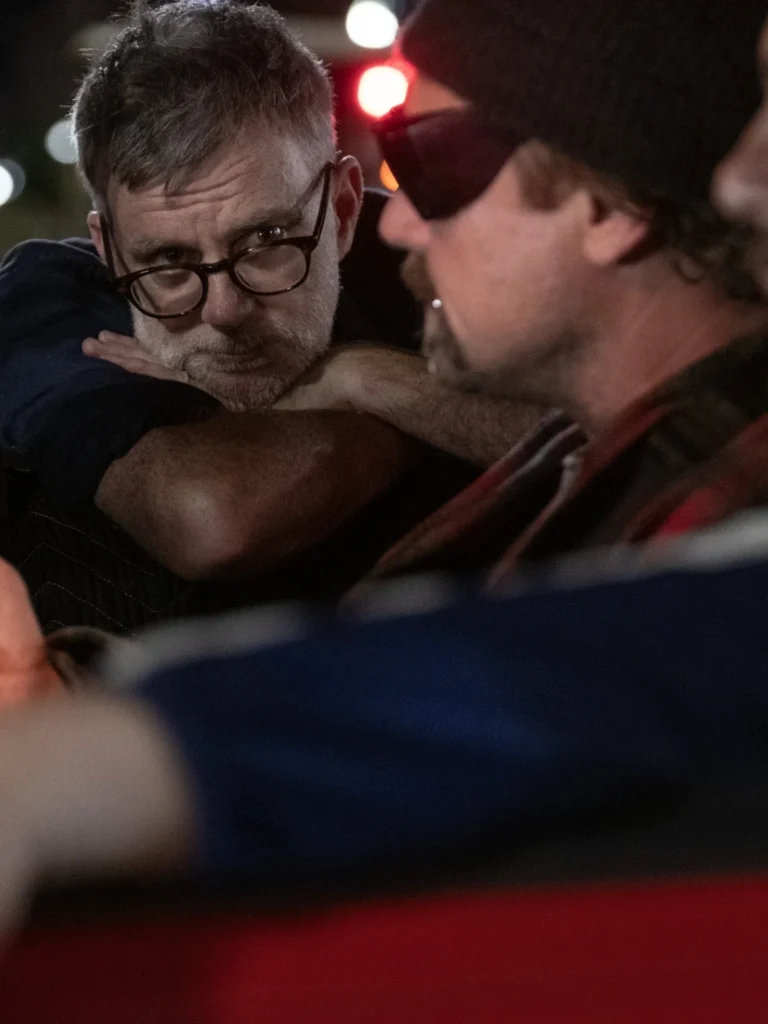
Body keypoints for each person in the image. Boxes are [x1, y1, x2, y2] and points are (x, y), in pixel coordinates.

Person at [4, 0, 768, 932]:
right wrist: (77, 701)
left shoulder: (712, 494)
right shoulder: (567, 460)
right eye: (166, 265)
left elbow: (579, 681)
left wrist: (97, 759)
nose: (399, 223)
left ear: (611, 203)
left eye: (434, 163)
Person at [0, 0, 535, 634]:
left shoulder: (420, 255)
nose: (225, 311)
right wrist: (420, 405)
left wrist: (357, 375)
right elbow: (211, 524)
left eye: (265, 241)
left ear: (342, 211)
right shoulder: (46, 299)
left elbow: (617, 425)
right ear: (109, 249)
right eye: (168, 261)